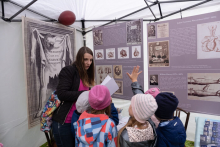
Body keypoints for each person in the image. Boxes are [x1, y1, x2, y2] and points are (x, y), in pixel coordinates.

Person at [52, 47, 95, 147]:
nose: (89, 63)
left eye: (91, 60)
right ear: (79, 59)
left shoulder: (86, 74)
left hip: (79, 120)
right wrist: (86, 93)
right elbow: (61, 94)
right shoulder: (69, 70)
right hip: (65, 122)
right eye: (85, 59)